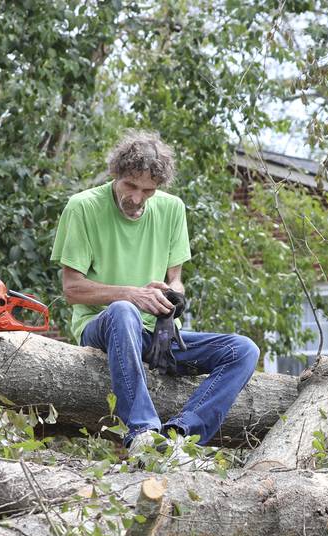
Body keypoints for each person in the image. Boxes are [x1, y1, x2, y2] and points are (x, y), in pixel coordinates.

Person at [52, 131, 259, 451]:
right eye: (130, 186)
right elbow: (72, 290)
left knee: (243, 350)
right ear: (115, 174)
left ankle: (180, 436)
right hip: (104, 329)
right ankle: (142, 432)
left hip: (158, 338)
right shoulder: (83, 208)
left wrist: (171, 294)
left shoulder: (173, 209)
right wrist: (132, 294)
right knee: (124, 310)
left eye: (147, 190)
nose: (137, 198)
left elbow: (176, 279)